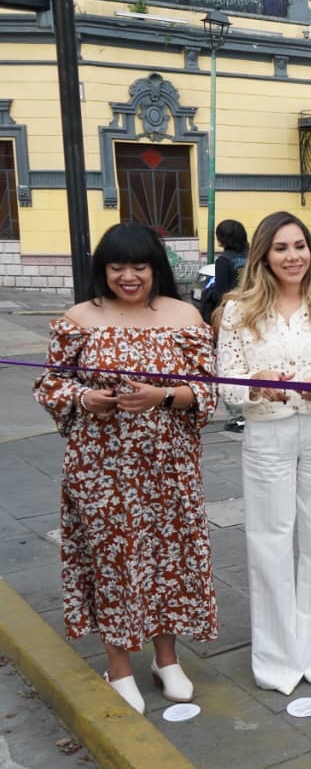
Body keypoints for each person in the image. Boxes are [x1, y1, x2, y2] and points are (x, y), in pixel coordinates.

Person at [33, 222, 218, 713]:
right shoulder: (78, 318)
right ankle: (117, 662)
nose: (129, 276)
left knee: (167, 557)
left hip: (169, 467)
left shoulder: (185, 316)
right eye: (118, 267)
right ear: (103, 269)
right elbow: (50, 385)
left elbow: (208, 391)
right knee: (111, 560)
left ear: (156, 267)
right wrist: (82, 396)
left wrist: (163, 396)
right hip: (101, 469)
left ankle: (166, 657)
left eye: (139, 266)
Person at [217, 211, 311, 695]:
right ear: (263, 255)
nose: (293, 256)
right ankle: (277, 659)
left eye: (299, 246)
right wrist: (255, 388)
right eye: (281, 248)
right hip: (266, 434)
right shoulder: (238, 309)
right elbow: (229, 380)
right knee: (269, 543)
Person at [203, 218, 250, 431]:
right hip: (253, 313)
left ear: (222, 239)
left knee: (230, 363)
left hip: (232, 317)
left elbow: (222, 293)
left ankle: (236, 416)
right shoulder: (251, 257)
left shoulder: (225, 261)